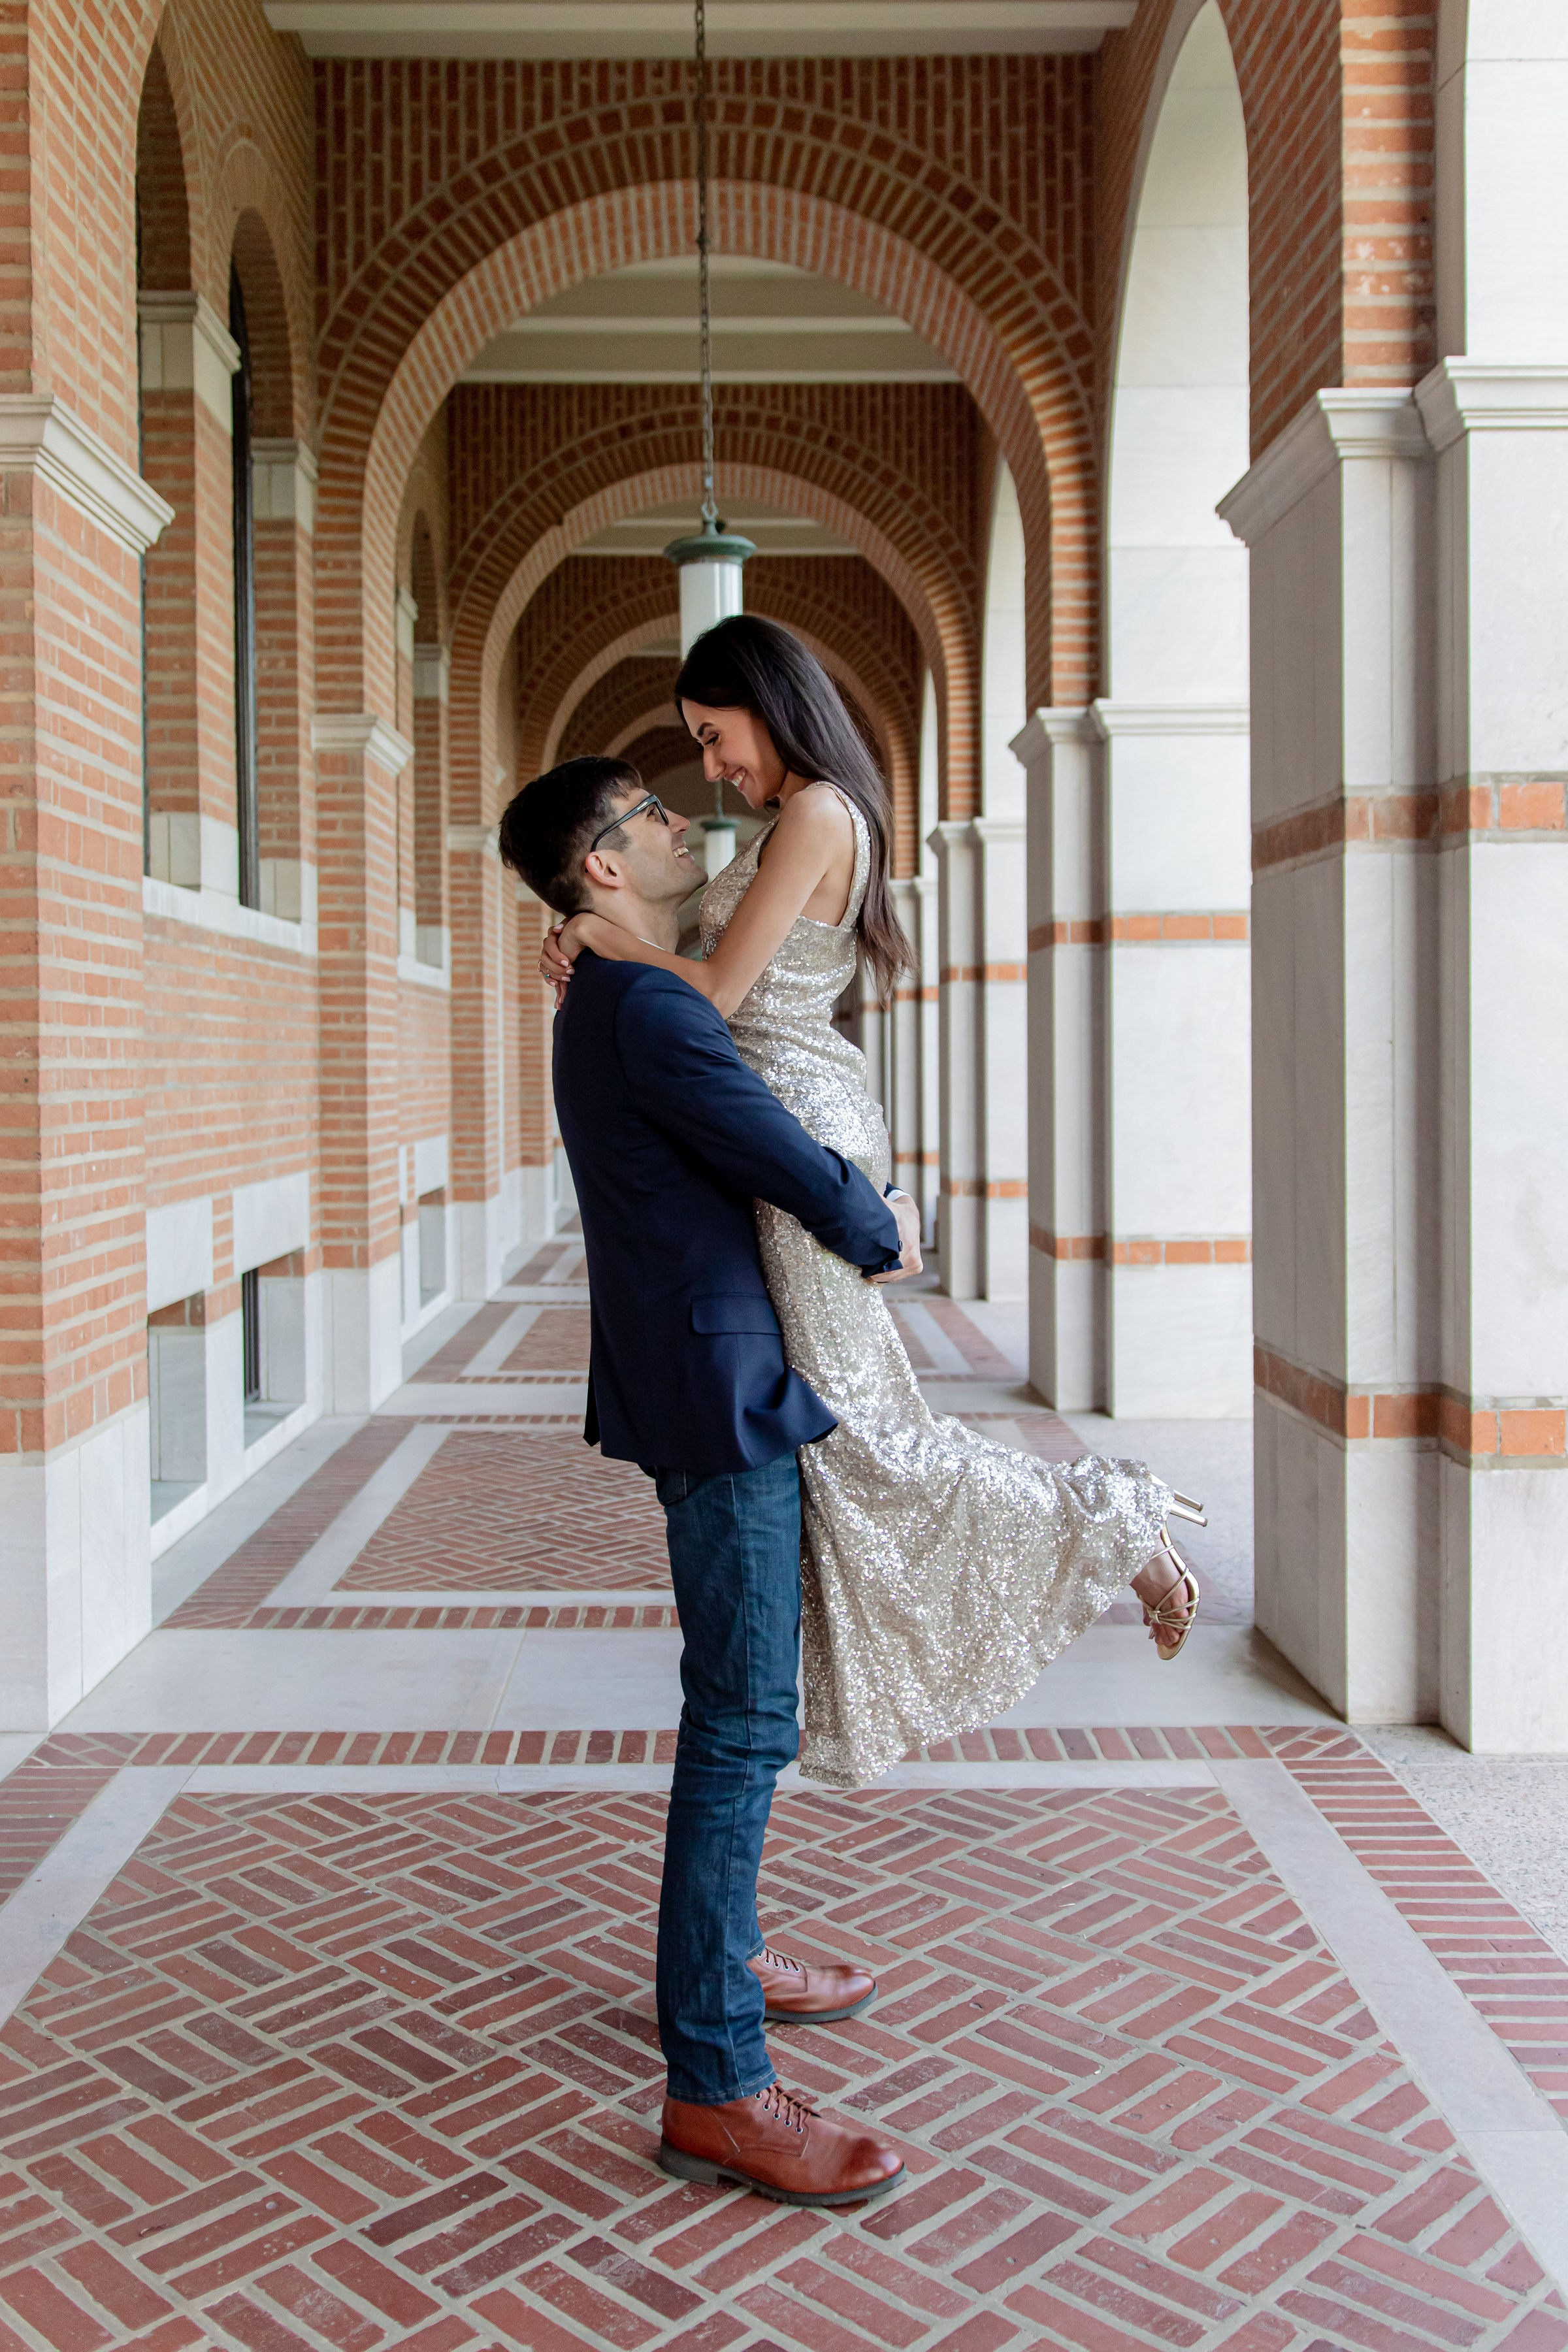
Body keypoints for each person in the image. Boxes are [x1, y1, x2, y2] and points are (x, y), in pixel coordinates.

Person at [539, 614, 1204, 1793]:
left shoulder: (815, 812)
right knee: (844, 1435)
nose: (715, 769)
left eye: (716, 736)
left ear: (767, 700)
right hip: (784, 1122)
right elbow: (694, 960)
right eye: (696, 748)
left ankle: (1116, 1520)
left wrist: (595, 931)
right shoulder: (799, 813)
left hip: (798, 1135)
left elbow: (712, 986)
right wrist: (588, 931)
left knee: (862, 1432)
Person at [498, 755, 921, 2206]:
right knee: (741, 1724)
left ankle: (722, 1956)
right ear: (604, 865)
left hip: (693, 1373)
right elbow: (766, 1147)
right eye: (654, 816)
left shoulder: (608, 993)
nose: (689, 822)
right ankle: (719, 2086)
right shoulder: (650, 1005)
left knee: (736, 1711)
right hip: (721, 1390)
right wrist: (880, 1226)